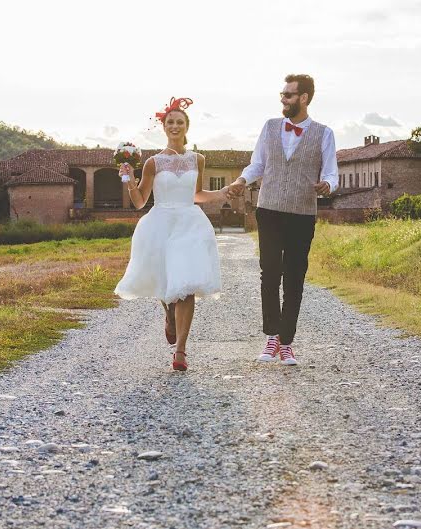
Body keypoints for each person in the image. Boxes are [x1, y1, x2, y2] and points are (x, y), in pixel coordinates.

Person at [227, 74, 339, 366]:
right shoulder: (270, 127)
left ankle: (287, 342)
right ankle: (272, 336)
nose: (283, 99)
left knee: (294, 278)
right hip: (270, 208)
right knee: (269, 273)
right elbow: (258, 164)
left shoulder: (324, 133)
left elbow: (331, 172)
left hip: (302, 213)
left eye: (289, 95)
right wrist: (241, 180)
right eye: (282, 94)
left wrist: (328, 185)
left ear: (303, 98)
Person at [114, 97, 233, 371]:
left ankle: (180, 351)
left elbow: (197, 194)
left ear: (187, 126)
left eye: (180, 122)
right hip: (161, 224)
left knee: (187, 285)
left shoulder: (198, 160)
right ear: (164, 127)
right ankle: (169, 316)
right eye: (170, 122)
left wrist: (222, 193)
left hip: (190, 224)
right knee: (167, 282)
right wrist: (130, 180)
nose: (175, 126)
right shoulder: (153, 163)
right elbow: (140, 202)